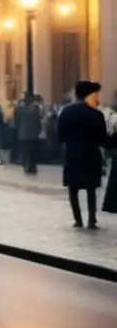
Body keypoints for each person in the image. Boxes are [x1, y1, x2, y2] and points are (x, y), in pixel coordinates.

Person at [58, 80, 115, 228]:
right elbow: (104, 140)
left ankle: (77, 219)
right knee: (91, 190)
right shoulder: (96, 115)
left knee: (73, 189)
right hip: (91, 156)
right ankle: (91, 219)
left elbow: (60, 136)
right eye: (96, 94)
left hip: (72, 155)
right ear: (88, 95)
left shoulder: (66, 111)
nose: (98, 98)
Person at [13, 91, 43, 174]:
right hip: (33, 133)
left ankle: (26, 165)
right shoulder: (36, 108)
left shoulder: (19, 107)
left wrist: (18, 128)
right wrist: (38, 129)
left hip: (23, 132)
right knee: (32, 151)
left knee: (25, 151)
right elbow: (38, 120)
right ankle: (32, 166)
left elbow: (16, 120)